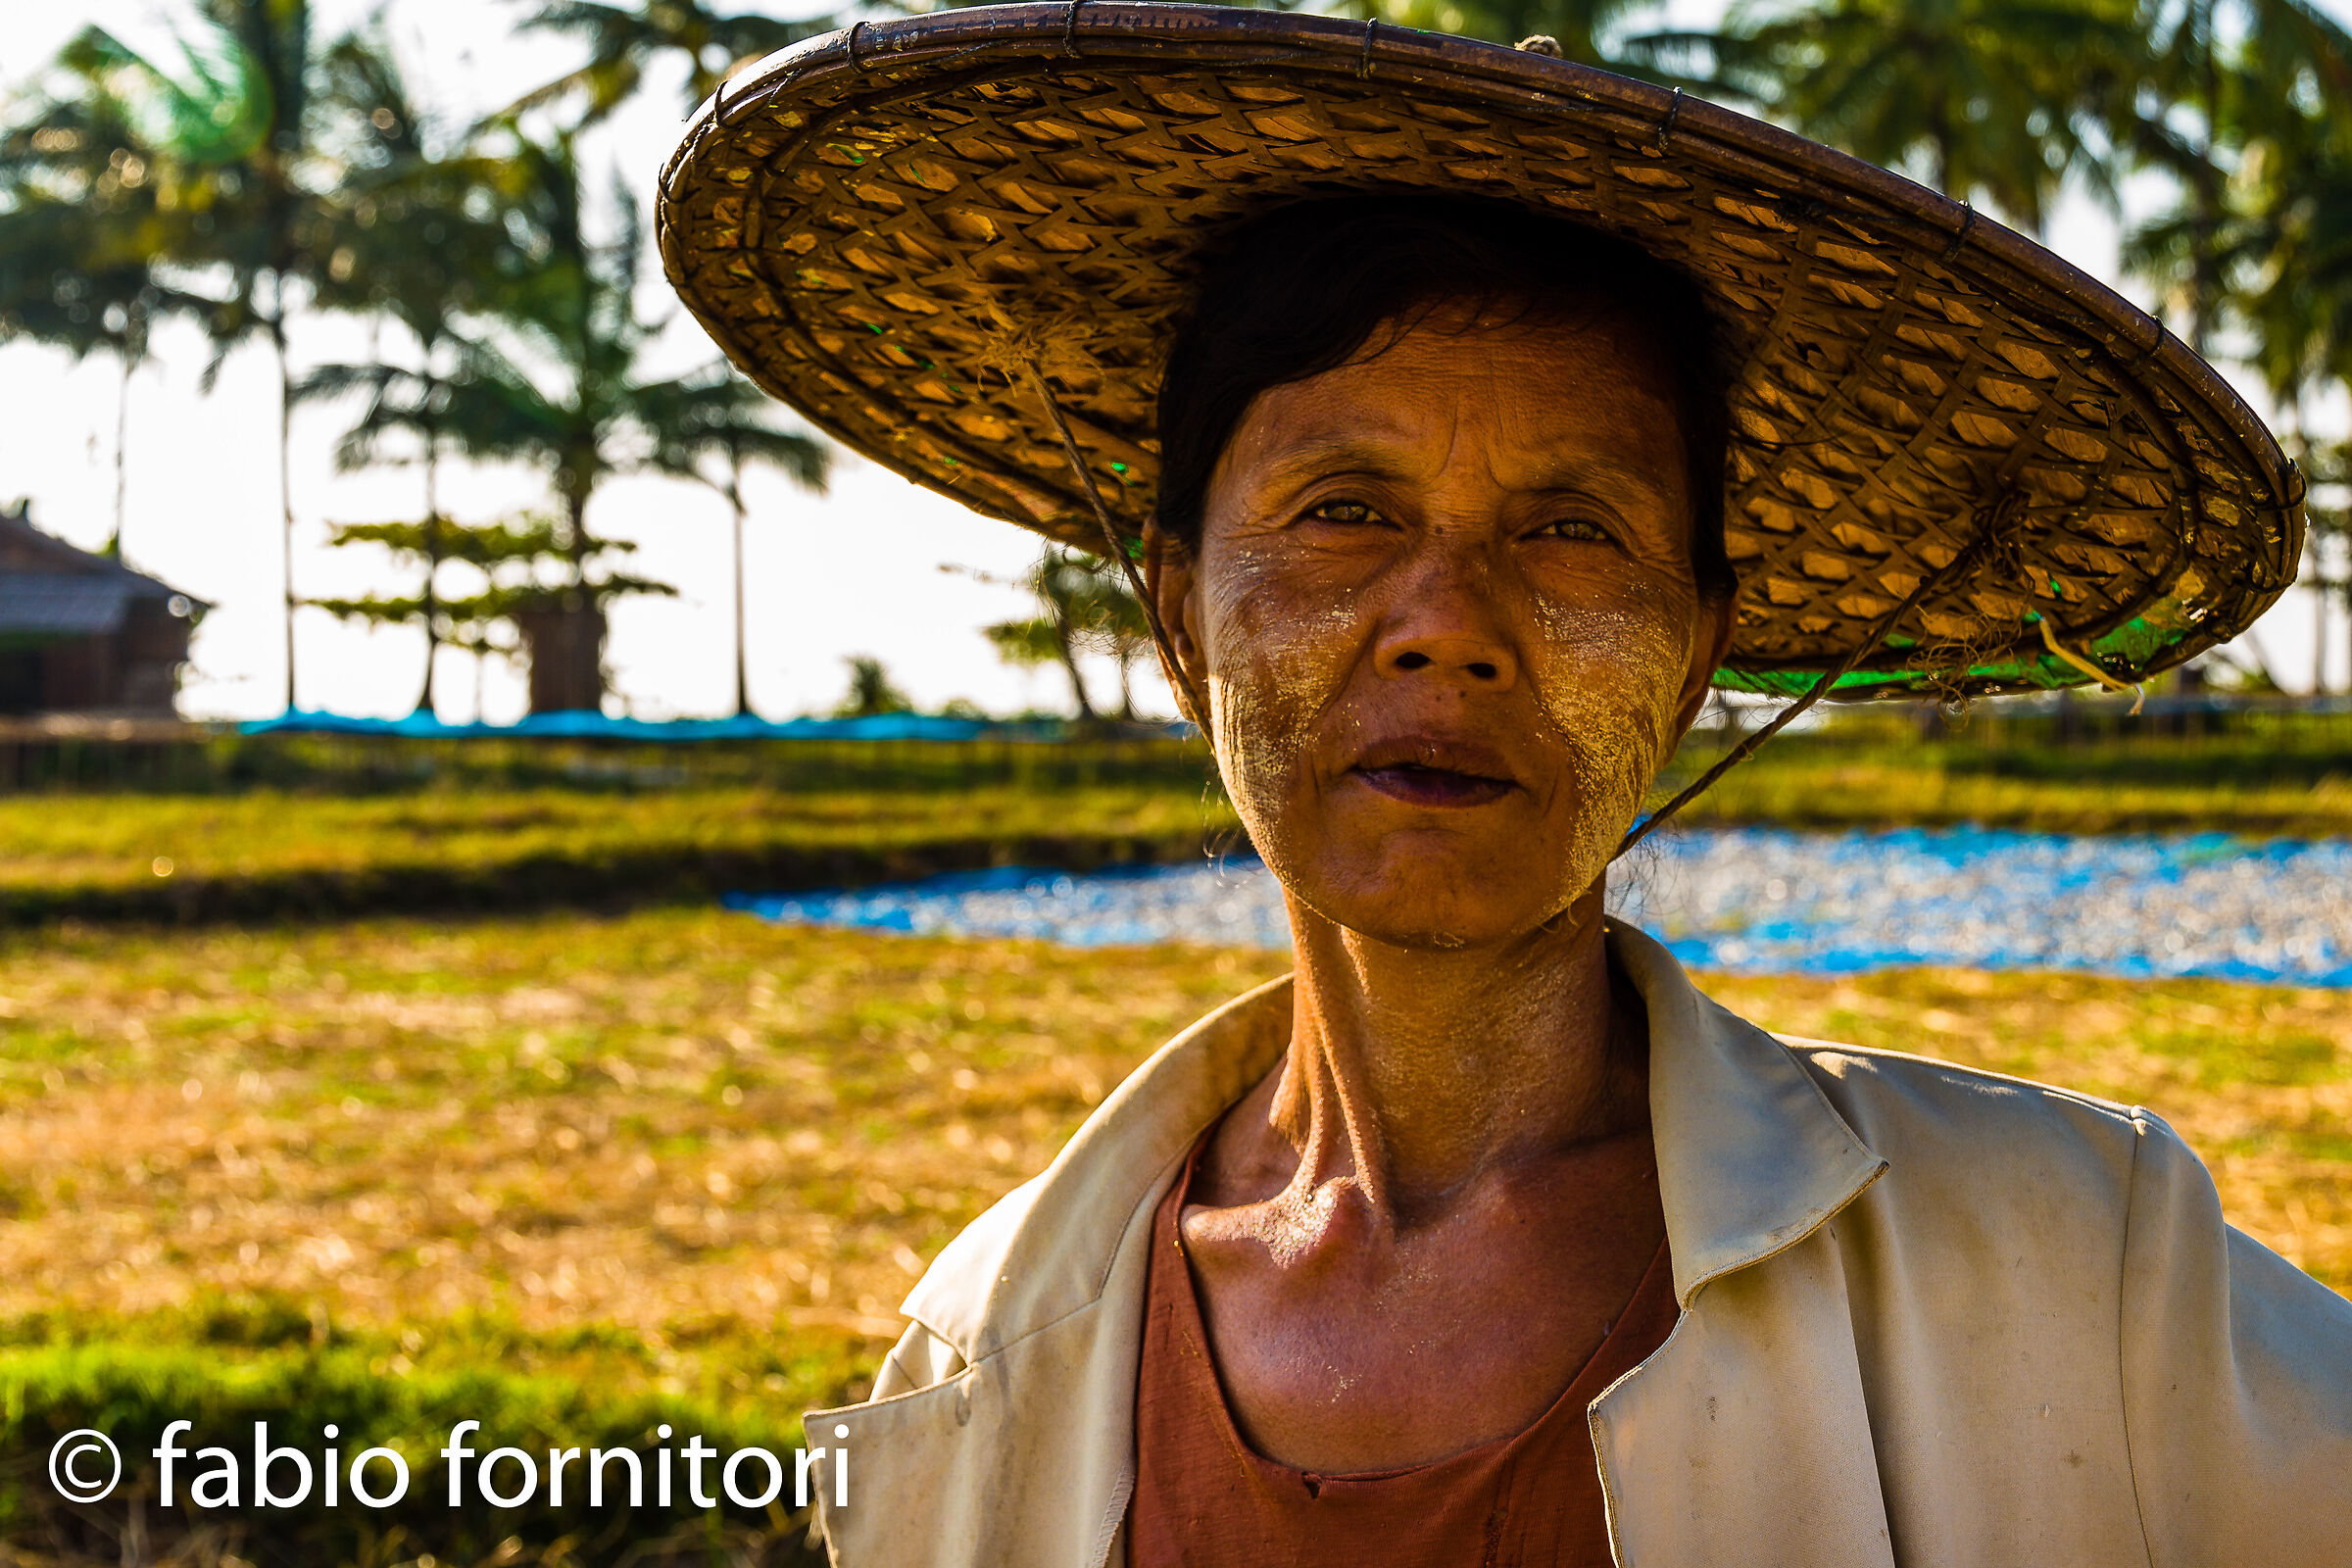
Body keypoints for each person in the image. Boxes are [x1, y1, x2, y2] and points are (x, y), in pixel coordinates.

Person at [659, 8, 2351, 1564]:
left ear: (1693, 655)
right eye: (1343, 510)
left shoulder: (2077, 1265)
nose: (1448, 625)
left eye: (1571, 531)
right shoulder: (979, 1357)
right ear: (1180, 617)